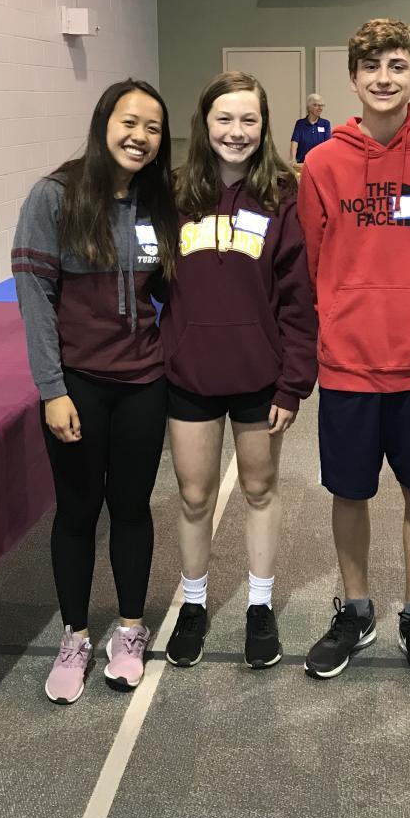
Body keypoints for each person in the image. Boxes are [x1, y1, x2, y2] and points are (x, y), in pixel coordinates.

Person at [297, 18, 410, 693]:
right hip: (348, 364)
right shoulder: (323, 164)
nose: (383, 78)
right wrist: (341, 321)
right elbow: (313, 262)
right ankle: (357, 610)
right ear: (353, 78)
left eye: (397, 65)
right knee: (349, 492)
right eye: (371, 66)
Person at [12, 80, 179, 705]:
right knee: (78, 512)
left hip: (143, 384)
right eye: (129, 122)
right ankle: (76, 636)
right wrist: (51, 389)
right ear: (104, 122)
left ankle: (130, 631)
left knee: (132, 508)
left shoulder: (158, 201)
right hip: (77, 385)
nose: (140, 136)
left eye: (153, 128)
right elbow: (35, 297)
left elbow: (172, 289)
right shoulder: (54, 196)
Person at [161, 71, 317, 670]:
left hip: (260, 377)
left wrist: (293, 383)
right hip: (190, 375)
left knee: (259, 489)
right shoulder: (174, 193)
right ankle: (194, 602)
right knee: (194, 495)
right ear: (205, 124)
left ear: (264, 125)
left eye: (248, 119)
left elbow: (299, 297)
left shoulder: (283, 194)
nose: (236, 131)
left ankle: (259, 603)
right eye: (224, 118)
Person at [290, 94, 331, 169]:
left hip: (319, 165)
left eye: (322, 105)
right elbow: (294, 142)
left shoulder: (325, 124)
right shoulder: (300, 123)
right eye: (316, 105)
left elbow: (328, 144)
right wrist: (293, 160)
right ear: (309, 107)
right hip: (302, 164)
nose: (320, 108)